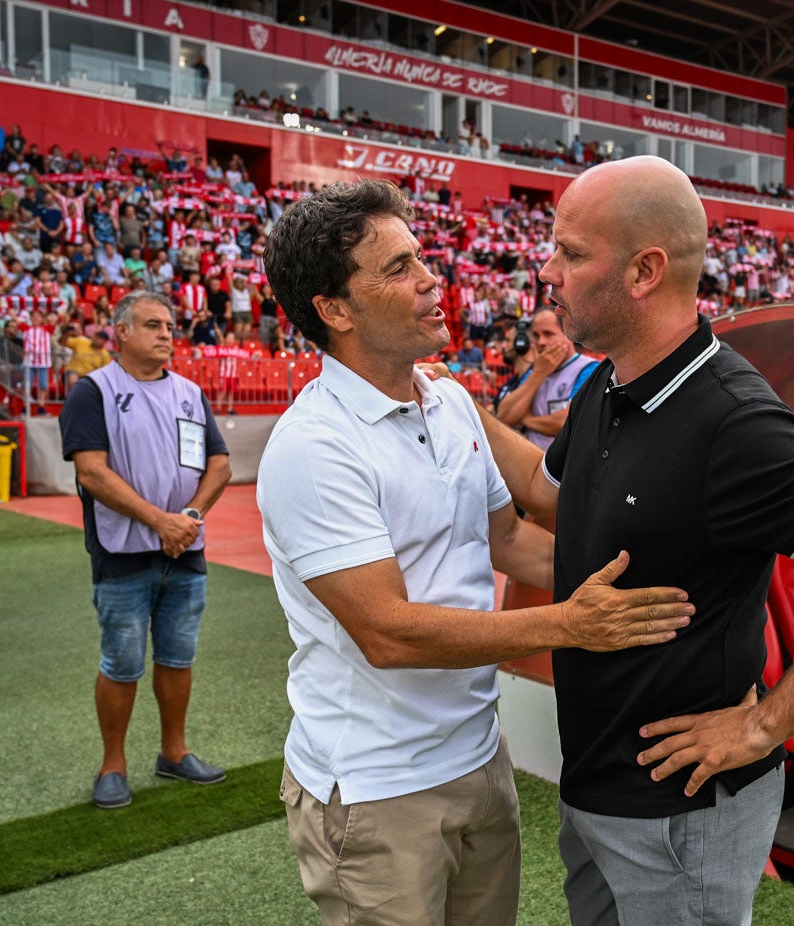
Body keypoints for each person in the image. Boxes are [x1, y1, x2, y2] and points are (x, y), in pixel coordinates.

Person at [468, 156, 794, 925]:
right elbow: (549, 495)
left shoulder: (732, 421)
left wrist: (762, 725)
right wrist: (462, 412)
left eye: (571, 253)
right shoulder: (607, 382)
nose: (547, 272)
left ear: (644, 271)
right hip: (598, 786)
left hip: (678, 814)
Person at [257, 179, 695, 926]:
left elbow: (510, 536)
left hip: (477, 756)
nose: (431, 279)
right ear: (335, 311)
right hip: (377, 785)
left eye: (420, 257)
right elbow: (388, 633)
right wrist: (571, 624)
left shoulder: (449, 402)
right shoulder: (314, 446)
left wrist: (646, 581)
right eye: (398, 268)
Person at [59, 292, 232, 810]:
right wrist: (161, 521)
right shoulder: (93, 391)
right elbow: (91, 472)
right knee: (122, 661)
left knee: (178, 657)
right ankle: (113, 765)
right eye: (153, 325)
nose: (166, 334)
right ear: (122, 332)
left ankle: (174, 752)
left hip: (185, 550)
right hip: (123, 554)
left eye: (170, 326)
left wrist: (190, 517)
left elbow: (219, 465)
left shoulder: (189, 393)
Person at [494, 307, 597, 450]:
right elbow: (504, 417)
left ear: (568, 333)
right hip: (532, 460)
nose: (540, 342)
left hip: (565, 461)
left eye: (548, 334)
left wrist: (526, 419)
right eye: (536, 335)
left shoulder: (589, 369)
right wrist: (539, 373)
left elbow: (566, 423)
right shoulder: (538, 369)